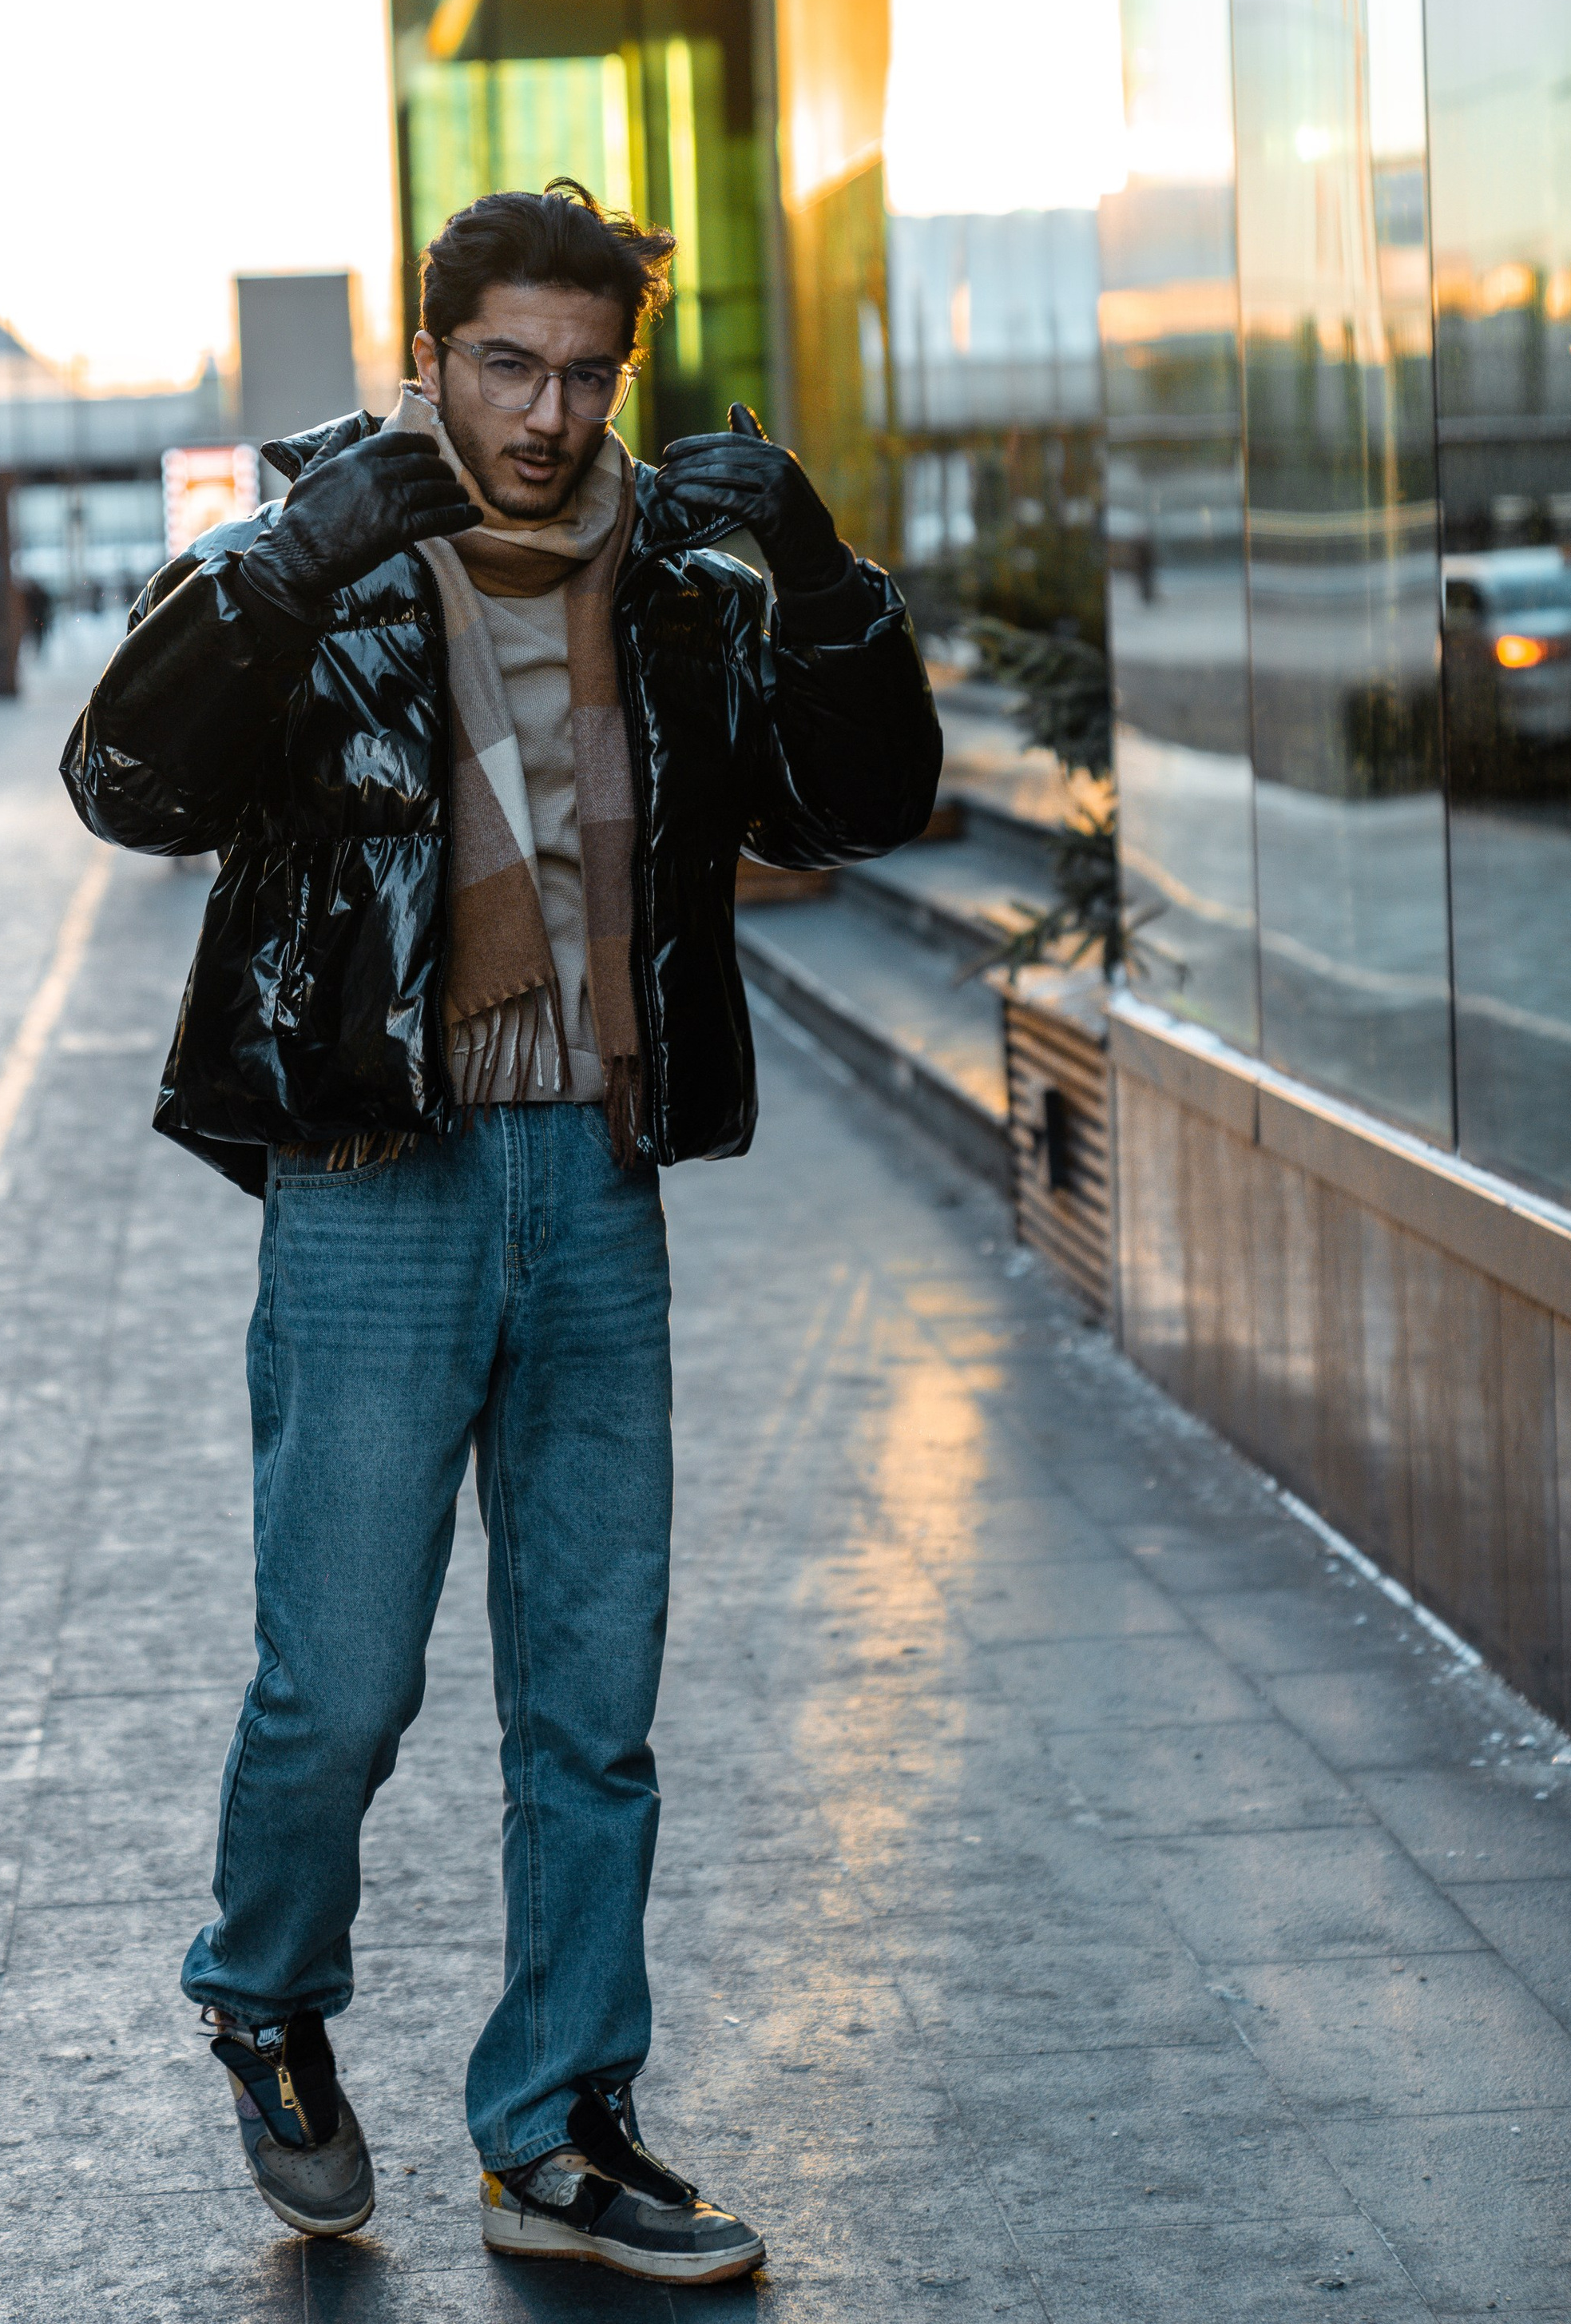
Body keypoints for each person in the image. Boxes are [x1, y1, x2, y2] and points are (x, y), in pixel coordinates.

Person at [62, 180, 939, 2283]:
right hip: (379, 1188)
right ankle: (265, 1989)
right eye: (505, 366)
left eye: (585, 374)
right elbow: (124, 783)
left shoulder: (676, 593)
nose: (546, 416)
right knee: (343, 1685)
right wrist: (273, 577)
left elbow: (868, 804)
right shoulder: (320, 565)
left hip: (592, 1186)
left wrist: (817, 577)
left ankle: (557, 2129)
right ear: (429, 358)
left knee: (586, 1695)